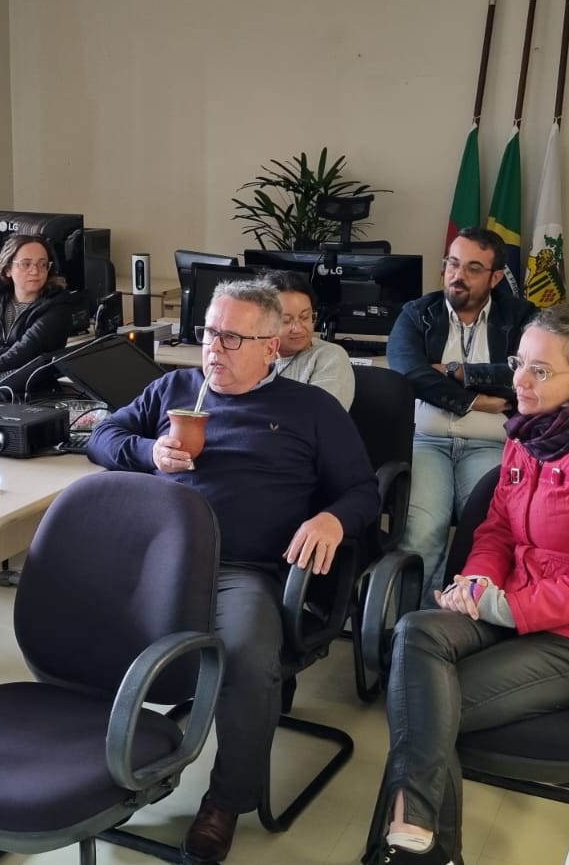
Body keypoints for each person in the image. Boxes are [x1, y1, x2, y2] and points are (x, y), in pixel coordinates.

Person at [364, 304, 569, 865]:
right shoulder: (527, 435)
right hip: (514, 609)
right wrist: (476, 581)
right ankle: (420, 841)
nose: (518, 379)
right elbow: (495, 529)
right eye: (519, 362)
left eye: (540, 370)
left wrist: (507, 607)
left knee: (423, 710)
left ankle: (411, 847)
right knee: (416, 633)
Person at [86, 279, 379, 865]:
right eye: (208, 333)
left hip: (242, 570)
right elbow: (103, 435)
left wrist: (331, 520)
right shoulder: (177, 387)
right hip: (161, 560)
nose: (213, 349)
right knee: (83, 624)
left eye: (231, 338)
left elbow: (364, 490)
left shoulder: (310, 409)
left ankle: (226, 800)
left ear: (271, 347)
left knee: (245, 652)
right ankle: (100, 767)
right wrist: (151, 454)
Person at [386, 227, 537, 600]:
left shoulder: (522, 318)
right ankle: (412, 630)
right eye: (452, 263)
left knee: (486, 532)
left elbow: (526, 375)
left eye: (472, 268)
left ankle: (460, 623)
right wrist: (479, 401)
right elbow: (409, 373)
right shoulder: (417, 314)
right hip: (427, 441)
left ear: (495, 277)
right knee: (422, 531)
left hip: (490, 445)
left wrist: (457, 371)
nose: (457, 275)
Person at [0, 233, 74, 388]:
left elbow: (28, 350)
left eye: (42, 264)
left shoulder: (58, 306)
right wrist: (14, 355)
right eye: (26, 264)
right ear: (8, 268)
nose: (35, 271)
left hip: (32, 391)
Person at [261, 269, 355, 408]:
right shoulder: (252, 352)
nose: (298, 328)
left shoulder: (329, 356)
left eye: (305, 317)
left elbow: (319, 416)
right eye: (286, 321)